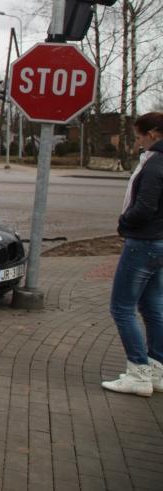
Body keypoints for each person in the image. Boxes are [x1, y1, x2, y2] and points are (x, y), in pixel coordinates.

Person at [102, 111, 163, 396]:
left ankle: (138, 372)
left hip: (143, 242)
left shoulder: (154, 165)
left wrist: (124, 223)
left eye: (139, 136)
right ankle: (158, 369)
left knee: (122, 307)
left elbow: (144, 208)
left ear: (152, 134)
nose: (138, 142)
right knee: (152, 306)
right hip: (160, 242)